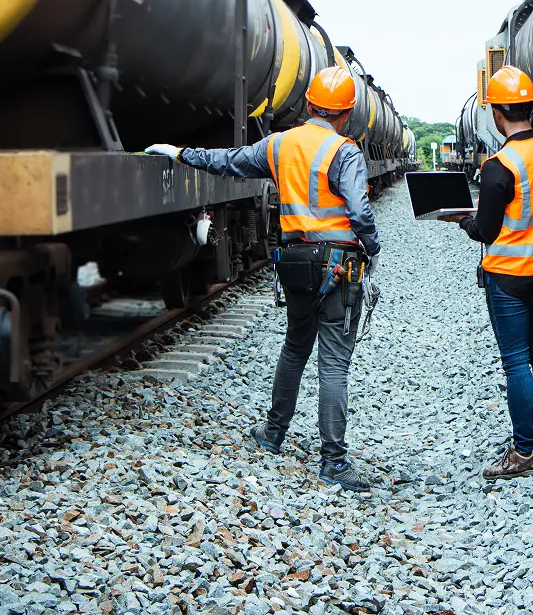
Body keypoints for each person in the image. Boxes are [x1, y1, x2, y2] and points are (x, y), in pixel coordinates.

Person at [145, 66, 380, 492]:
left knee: (294, 348)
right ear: (345, 114)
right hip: (338, 267)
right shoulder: (344, 151)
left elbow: (227, 162)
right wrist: (372, 246)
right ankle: (334, 462)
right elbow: (360, 213)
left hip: (295, 263)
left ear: (308, 105)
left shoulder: (279, 144)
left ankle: (273, 433)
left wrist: (180, 153)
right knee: (333, 363)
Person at [440, 65, 533, 481]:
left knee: (515, 360)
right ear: (532, 107)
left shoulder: (500, 165)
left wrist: (463, 220)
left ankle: (524, 452)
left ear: (498, 113)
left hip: (508, 276)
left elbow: (487, 229)